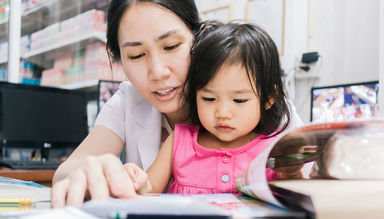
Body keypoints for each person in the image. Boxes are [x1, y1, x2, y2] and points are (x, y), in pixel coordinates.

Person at [51, 0, 303, 207]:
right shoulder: (127, 100)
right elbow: (67, 170)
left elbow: (310, 179)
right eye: (136, 55)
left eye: (171, 46)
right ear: (120, 60)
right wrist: (86, 169)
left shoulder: (258, 102)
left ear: (199, 38)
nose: (158, 71)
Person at [125, 22, 298, 195]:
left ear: (269, 98)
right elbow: (148, 190)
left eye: (239, 100)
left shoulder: (275, 148)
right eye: (209, 98)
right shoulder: (178, 141)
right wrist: (136, 179)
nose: (222, 113)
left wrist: (293, 172)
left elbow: (299, 199)